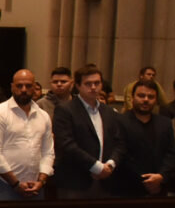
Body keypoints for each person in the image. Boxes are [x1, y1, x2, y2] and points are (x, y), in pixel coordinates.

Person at [52, 64, 124, 198]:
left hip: (106, 180)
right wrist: (96, 166)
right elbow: (67, 145)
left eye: (97, 83)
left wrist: (110, 164)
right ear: (78, 86)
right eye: (88, 84)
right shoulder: (65, 110)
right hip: (76, 181)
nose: (93, 87)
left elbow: (120, 142)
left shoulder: (109, 112)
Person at [0, 70, 53, 200]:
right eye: (19, 86)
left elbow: (48, 152)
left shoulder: (43, 116)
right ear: (12, 87)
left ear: (35, 87)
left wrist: (41, 181)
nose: (23, 90)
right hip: (4, 186)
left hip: (36, 186)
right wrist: (15, 184)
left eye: (28, 86)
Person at [112, 79, 174, 197]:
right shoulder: (119, 121)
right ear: (132, 97)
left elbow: (172, 153)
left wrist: (161, 176)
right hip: (127, 188)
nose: (146, 100)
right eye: (141, 95)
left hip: (159, 187)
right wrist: (147, 181)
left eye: (151, 97)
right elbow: (121, 154)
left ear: (156, 100)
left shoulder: (166, 123)